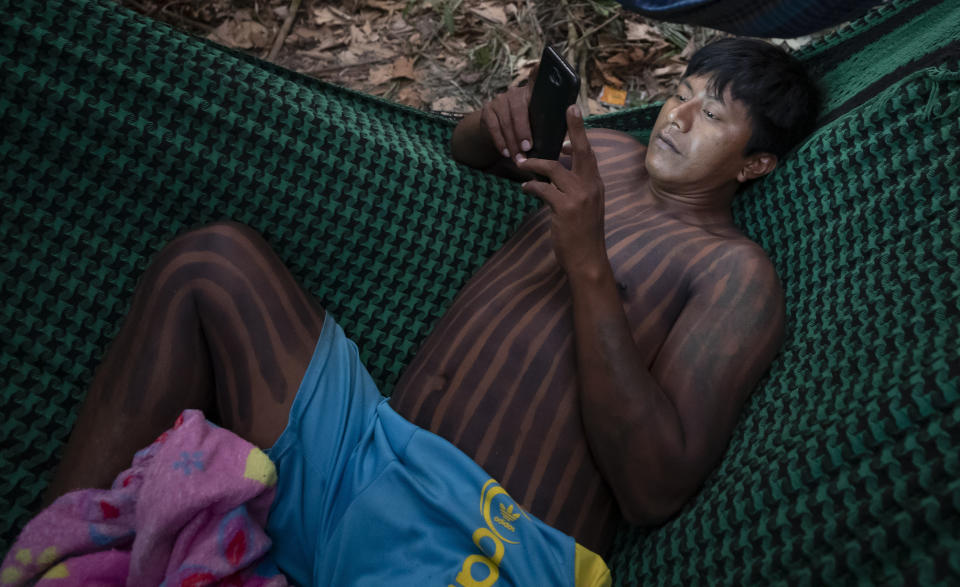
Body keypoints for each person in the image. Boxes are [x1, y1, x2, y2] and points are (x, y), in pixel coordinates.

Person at [42, 37, 819, 582]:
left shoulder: (735, 275)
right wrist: (495, 119)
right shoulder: (604, 155)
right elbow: (466, 153)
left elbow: (654, 484)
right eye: (681, 94)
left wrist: (588, 258)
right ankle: (47, 556)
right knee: (210, 263)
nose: (676, 118)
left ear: (757, 163)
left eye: (712, 115)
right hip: (365, 451)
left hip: (475, 545)